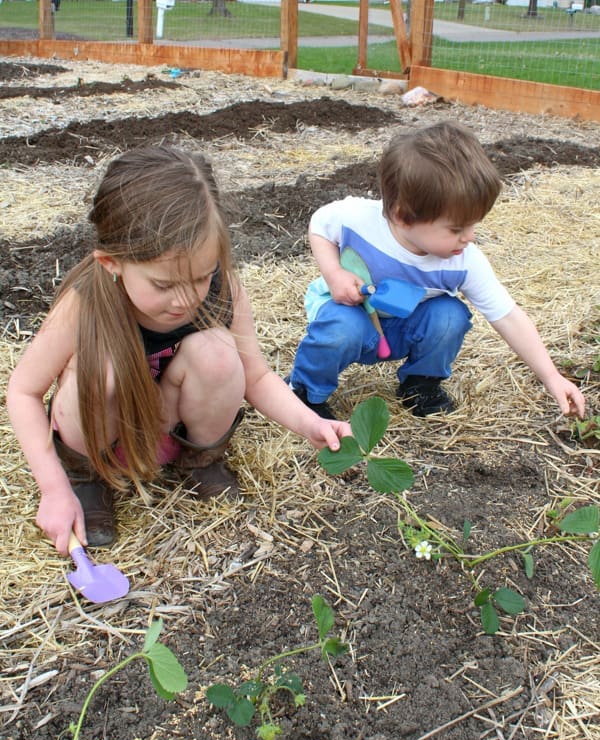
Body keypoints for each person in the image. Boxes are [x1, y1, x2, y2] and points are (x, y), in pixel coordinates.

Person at [7, 145, 351, 556]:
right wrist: (53, 487)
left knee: (219, 350)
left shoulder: (226, 290)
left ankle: (200, 462)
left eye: (203, 276)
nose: (185, 300)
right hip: (102, 440)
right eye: (164, 285)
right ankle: (86, 480)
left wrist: (310, 424)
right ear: (112, 263)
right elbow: (23, 392)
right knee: (102, 366)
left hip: (166, 431)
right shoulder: (86, 305)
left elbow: (255, 376)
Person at [286, 121, 586, 421]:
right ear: (404, 216)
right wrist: (333, 273)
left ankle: (421, 385)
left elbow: (507, 316)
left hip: (406, 324)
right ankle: (305, 392)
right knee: (339, 331)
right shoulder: (357, 219)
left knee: (449, 316)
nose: (469, 237)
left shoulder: (464, 260)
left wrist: (551, 375)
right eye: (456, 228)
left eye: (473, 225)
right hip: (352, 313)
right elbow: (320, 224)